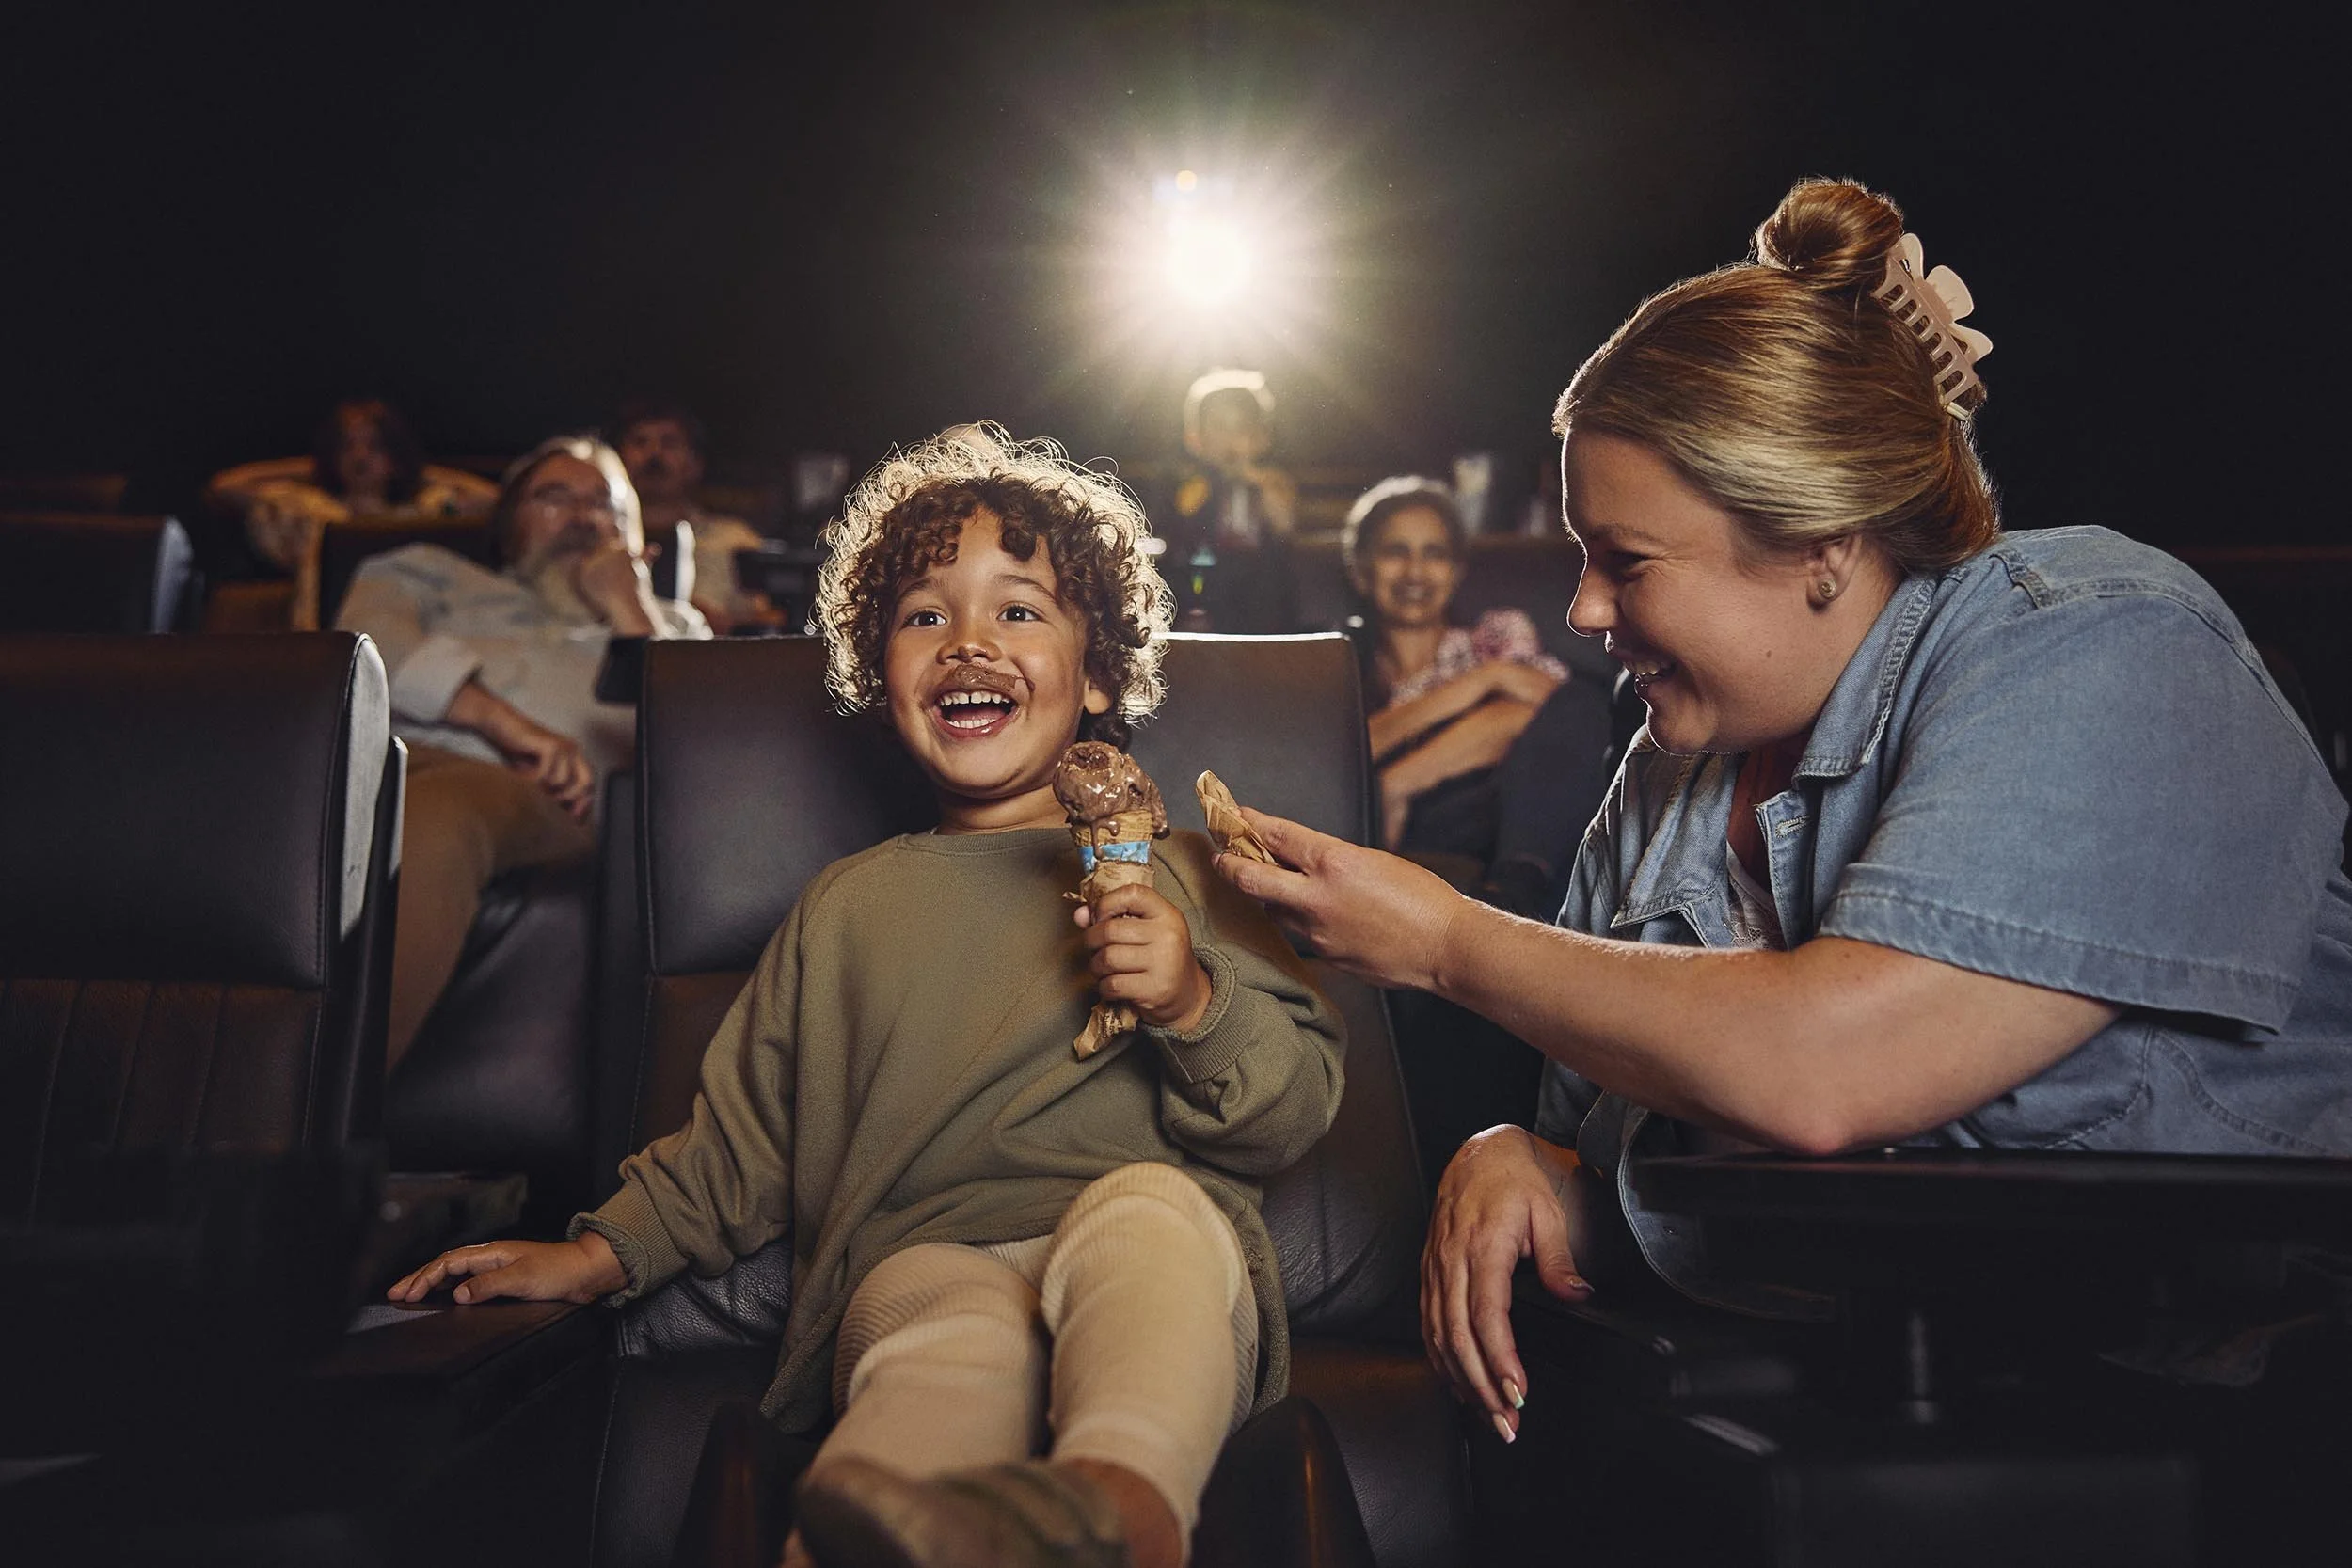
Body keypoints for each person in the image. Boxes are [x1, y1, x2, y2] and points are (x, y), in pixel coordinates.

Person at [1209, 177, 2352, 1448]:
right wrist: (1527, 1162)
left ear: (1826, 539)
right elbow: (1602, 1143)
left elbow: (1824, 1072)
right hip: (1865, 1396)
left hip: (2229, 1416)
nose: (1583, 610)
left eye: (1626, 559)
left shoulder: (2101, 638)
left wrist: (1443, 937)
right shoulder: (1666, 770)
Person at [386, 427, 1344, 1568]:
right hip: (920, 1249)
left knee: (1147, 1213)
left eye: (1020, 610)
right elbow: (740, 1148)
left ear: (1098, 673)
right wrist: (595, 1252)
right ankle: (879, 1528)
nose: (968, 641)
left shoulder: (1189, 876)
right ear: (874, 668)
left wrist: (1191, 996)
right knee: (932, 1315)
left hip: (1156, 1256)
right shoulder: (846, 905)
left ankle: (1119, 1508)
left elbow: (1290, 1106)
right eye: (923, 615)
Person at [336, 435, 708, 1067]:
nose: (584, 517)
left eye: (606, 505)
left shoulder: (672, 626)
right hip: (367, 763)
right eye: (554, 498)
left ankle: (301, 1126)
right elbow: (362, 647)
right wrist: (503, 721)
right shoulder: (429, 572)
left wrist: (627, 603)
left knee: (447, 811)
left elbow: (699, 749)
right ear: (509, 529)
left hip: (532, 801)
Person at [1343, 476, 1576, 857]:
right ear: (1361, 568)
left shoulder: (1494, 638)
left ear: (1455, 571)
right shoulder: (1341, 662)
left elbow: (1564, 710)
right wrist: (1483, 689)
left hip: (1493, 841)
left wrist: (1398, 781)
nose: (1415, 572)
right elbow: (1333, 757)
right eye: (1395, 551)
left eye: (1434, 553)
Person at [206, 398, 496, 627]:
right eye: (347, 446)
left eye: (374, 446)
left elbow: (494, 499)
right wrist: (315, 469)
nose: (359, 457)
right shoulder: (308, 510)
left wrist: (415, 470)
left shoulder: (424, 513)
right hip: (323, 629)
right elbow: (226, 486)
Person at [609, 399, 780, 633]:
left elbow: (768, 618)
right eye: (640, 442)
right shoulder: (602, 544)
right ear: (616, 461)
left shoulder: (733, 539)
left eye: (669, 443)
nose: (654, 454)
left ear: (695, 463)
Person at [1158, 369, 1299, 633]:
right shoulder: (1190, 484)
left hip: (1260, 596)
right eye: (1220, 427)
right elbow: (1180, 524)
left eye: (1242, 428)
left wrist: (1249, 476)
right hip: (1203, 592)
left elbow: (1285, 524)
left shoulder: (1272, 482)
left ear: (1262, 438)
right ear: (1195, 439)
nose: (1231, 438)